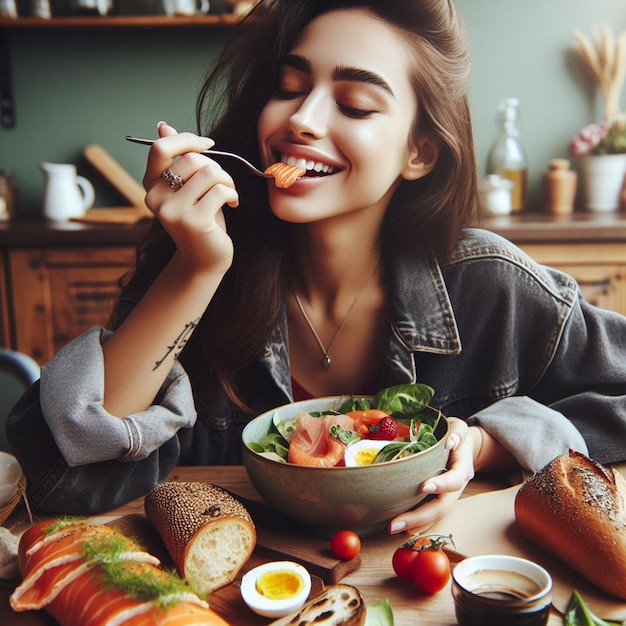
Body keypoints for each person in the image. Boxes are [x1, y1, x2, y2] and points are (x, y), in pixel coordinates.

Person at [7, 0, 626, 535]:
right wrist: (195, 270)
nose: (302, 119)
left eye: (355, 105)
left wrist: (488, 444)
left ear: (419, 151)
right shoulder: (196, 272)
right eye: (289, 86)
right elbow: (53, 479)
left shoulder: (493, 285)